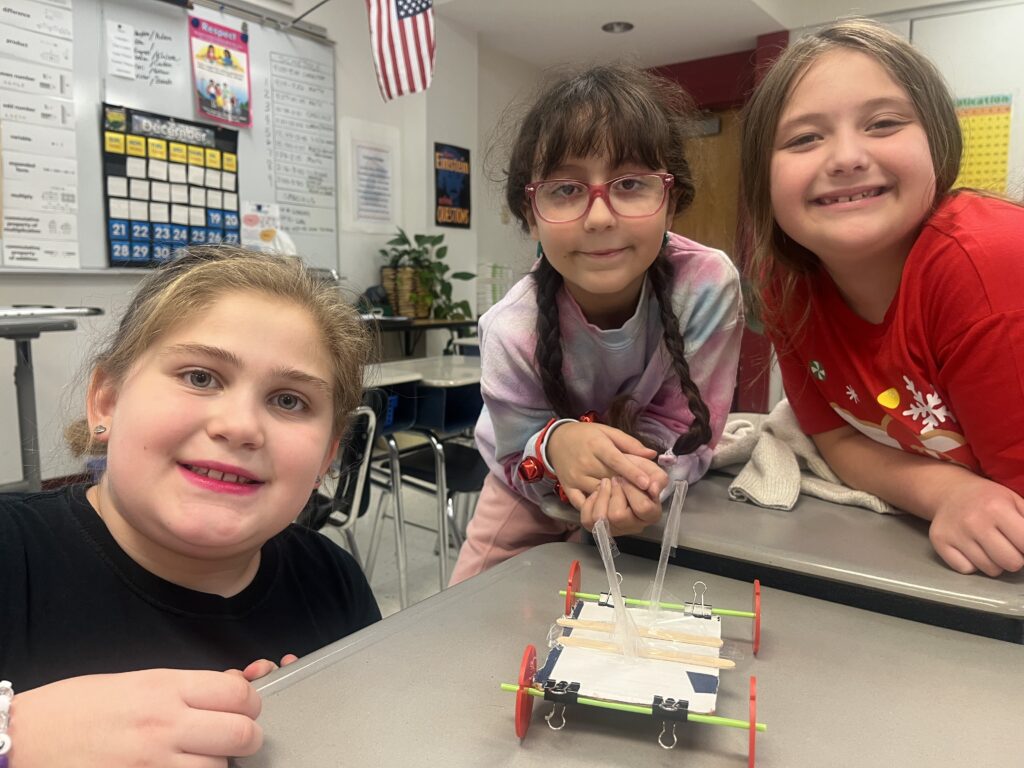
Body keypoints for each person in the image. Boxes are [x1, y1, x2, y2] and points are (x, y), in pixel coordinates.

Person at [0, 246, 381, 766]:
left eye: (289, 400)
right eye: (200, 377)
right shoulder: (11, 556)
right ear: (105, 402)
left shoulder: (333, 582)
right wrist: (19, 738)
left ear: (328, 455)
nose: (241, 426)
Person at [741, 18, 1024, 577]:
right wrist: (947, 492)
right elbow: (835, 437)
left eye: (884, 123)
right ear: (763, 182)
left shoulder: (989, 268)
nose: (846, 157)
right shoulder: (786, 286)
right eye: (804, 138)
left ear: (938, 142)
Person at [450, 65, 744, 583]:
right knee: (472, 621)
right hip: (525, 493)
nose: (600, 217)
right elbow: (519, 453)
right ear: (531, 210)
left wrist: (634, 479)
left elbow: (687, 427)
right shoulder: (509, 329)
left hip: (650, 482)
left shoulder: (706, 285)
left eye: (630, 183)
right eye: (565, 189)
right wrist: (557, 445)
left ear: (670, 199)